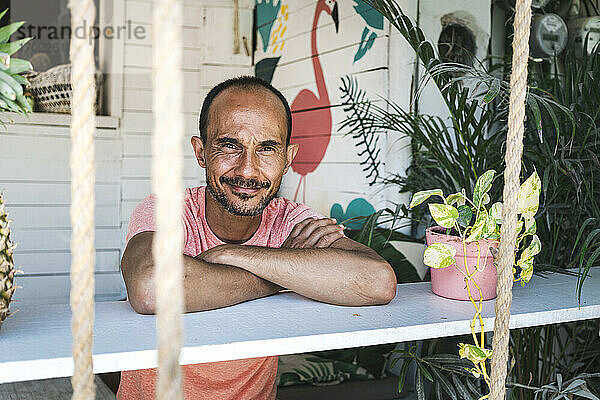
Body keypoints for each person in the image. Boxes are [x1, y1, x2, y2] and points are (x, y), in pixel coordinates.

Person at [117, 76, 397, 400]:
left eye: (266, 149)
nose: (247, 170)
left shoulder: (291, 221)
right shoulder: (166, 210)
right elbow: (150, 288)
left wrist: (232, 254)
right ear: (201, 152)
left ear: (288, 159)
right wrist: (282, 276)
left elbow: (376, 281)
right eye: (229, 145)